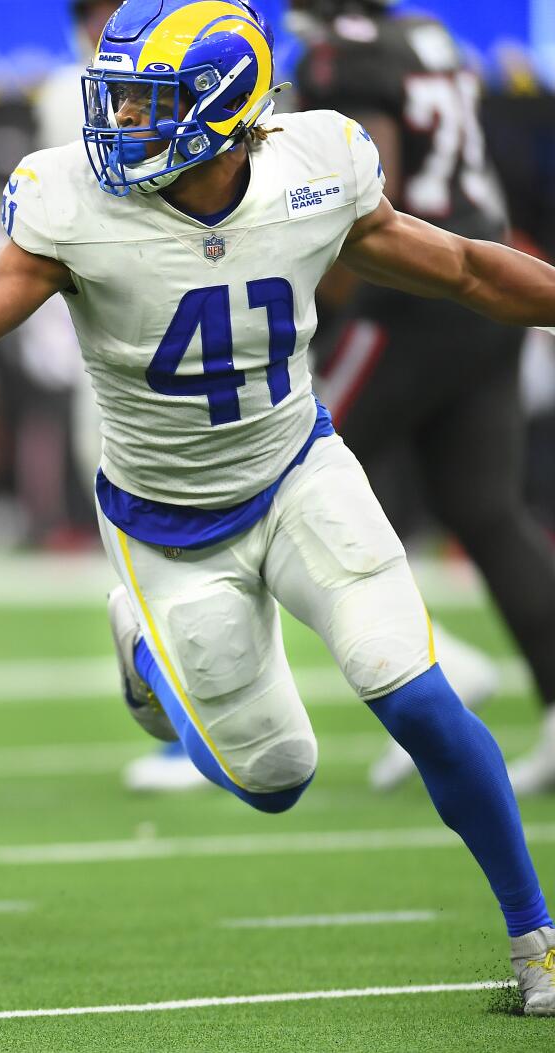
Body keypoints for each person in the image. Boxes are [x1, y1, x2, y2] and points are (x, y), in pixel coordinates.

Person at [0, 0, 555, 1014]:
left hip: (298, 471)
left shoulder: (316, 166)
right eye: (116, 96)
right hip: (167, 526)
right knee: (279, 777)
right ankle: (148, 652)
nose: (118, 121)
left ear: (223, 106)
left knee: (413, 690)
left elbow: (466, 266)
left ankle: (536, 939)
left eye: (147, 101)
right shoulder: (74, 205)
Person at [291, 0, 555, 796]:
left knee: (292, 479)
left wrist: (319, 308)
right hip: (483, 278)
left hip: (412, 294)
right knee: (484, 507)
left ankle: (432, 667)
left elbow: (369, 191)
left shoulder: (340, 56)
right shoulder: (428, 36)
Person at [36, 0, 209, 794]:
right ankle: (187, 714)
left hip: (225, 322)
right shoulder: (60, 95)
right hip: (126, 337)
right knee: (154, 529)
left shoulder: (208, 75)